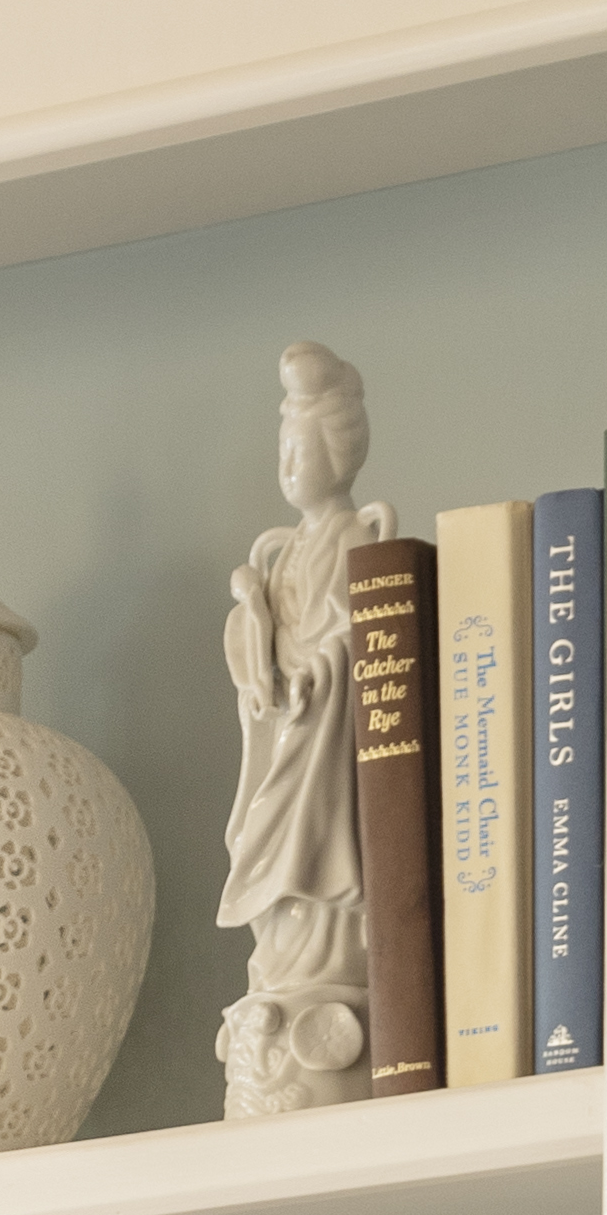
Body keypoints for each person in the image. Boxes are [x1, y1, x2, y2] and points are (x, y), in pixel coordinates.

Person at [217, 341, 376, 1119]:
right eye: (282, 448)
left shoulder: (353, 538)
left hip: (328, 735)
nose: (289, 464)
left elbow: (352, 634)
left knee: (324, 858)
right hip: (285, 724)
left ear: (338, 453)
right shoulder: (282, 553)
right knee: (260, 843)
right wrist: (254, 617)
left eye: (301, 447)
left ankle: (333, 972)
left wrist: (322, 667)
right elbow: (263, 655)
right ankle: (281, 984)